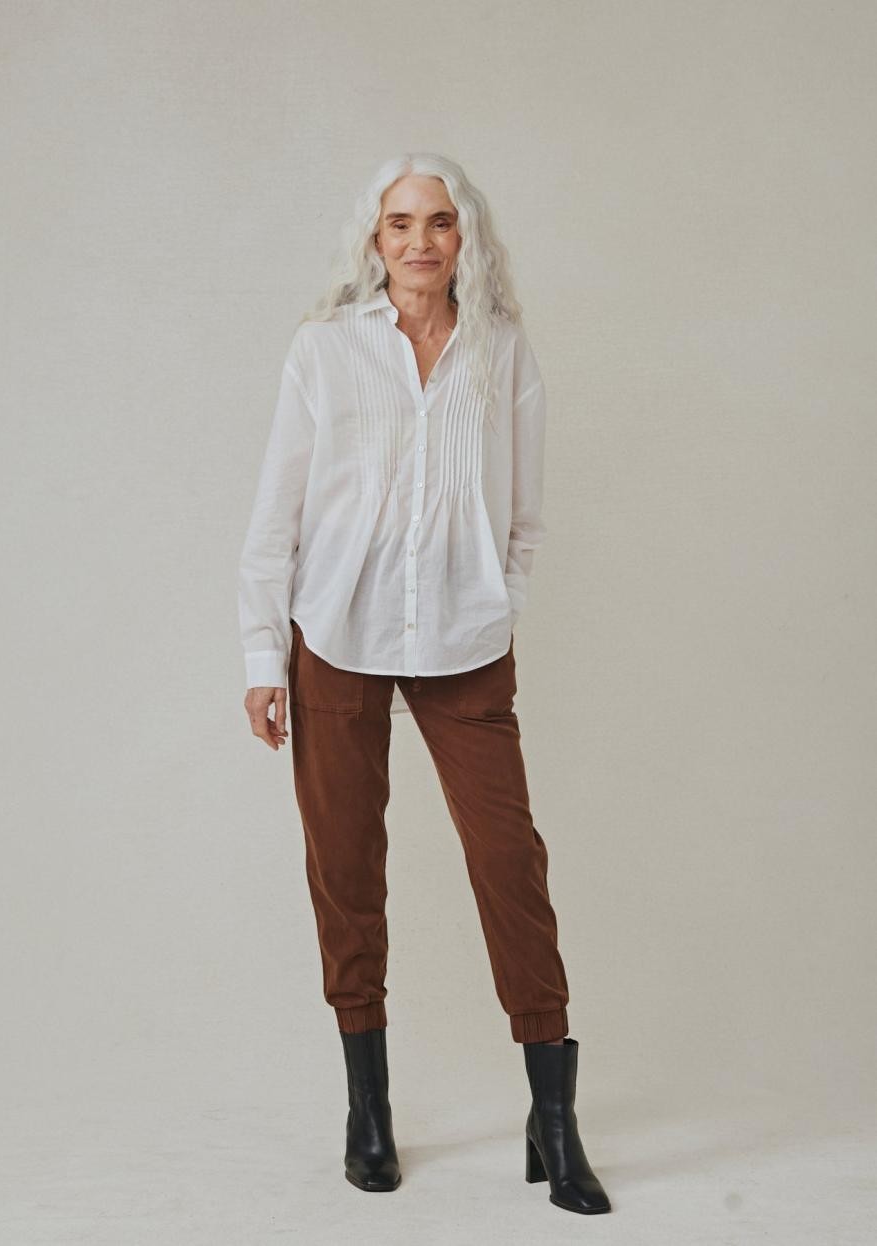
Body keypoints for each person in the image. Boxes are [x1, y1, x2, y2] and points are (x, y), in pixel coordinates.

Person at [237, 152, 611, 1215]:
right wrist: (263, 655)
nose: (419, 241)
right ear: (375, 238)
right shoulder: (324, 350)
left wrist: (498, 598)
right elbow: (276, 513)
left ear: (464, 236)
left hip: (463, 639)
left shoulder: (501, 348)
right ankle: (369, 1108)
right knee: (345, 867)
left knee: (508, 861)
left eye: (439, 222)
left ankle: (552, 1119)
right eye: (400, 223)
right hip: (334, 635)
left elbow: (525, 512)